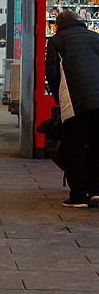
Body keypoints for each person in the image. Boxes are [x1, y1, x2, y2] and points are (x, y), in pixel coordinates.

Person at [45, 10, 99, 207]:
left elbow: (51, 73)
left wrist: (58, 99)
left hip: (75, 99)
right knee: (96, 145)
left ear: (58, 25)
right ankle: (96, 191)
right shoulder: (95, 37)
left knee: (73, 147)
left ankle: (78, 196)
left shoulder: (57, 41)